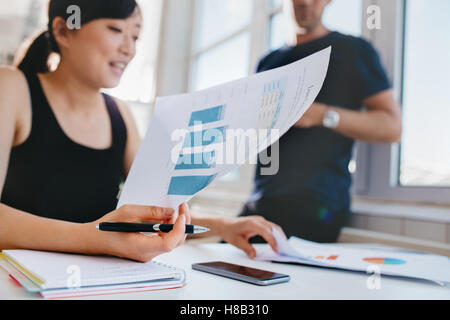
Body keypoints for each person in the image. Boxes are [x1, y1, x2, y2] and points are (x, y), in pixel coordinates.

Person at [0, 0, 283, 262]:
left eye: (135, 37)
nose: (130, 49)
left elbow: (157, 210)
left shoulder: (120, 114)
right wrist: (98, 239)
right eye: (115, 29)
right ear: (64, 30)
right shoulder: (11, 87)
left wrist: (223, 227)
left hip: (98, 282)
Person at [239, 0, 402, 243]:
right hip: (260, 203)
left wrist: (322, 115)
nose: (305, 1)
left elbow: (392, 127)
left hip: (315, 208)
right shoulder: (267, 63)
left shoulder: (352, 50)